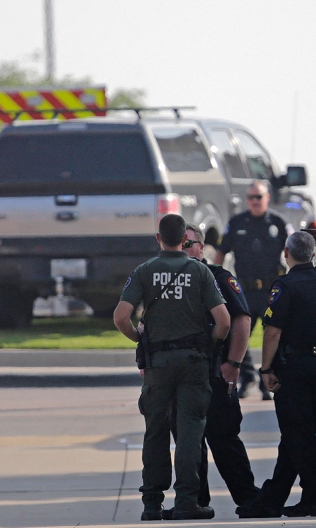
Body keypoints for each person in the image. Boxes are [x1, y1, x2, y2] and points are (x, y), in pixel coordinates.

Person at [114, 214, 230, 521]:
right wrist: (211, 345)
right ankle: (187, 501)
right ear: (186, 240)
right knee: (191, 429)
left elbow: (120, 316)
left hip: (158, 364)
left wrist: (139, 338)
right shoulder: (200, 272)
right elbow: (224, 321)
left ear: (158, 238)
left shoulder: (144, 271)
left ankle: (152, 502)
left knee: (155, 431)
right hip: (194, 361)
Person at [238, 231, 316, 519]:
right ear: (313, 254)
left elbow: (273, 333)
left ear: (286, 253)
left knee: (299, 435)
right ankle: (271, 501)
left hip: (293, 369)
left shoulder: (285, 286)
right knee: (298, 435)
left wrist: (266, 369)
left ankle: (315, 498)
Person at [164, 224, 260, 517]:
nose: (184, 249)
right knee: (188, 440)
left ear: (201, 248)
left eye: (189, 243)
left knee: (223, 436)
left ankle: (249, 499)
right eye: (179, 244)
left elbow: (242, 320)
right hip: (180, 374)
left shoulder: (219, 278)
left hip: (215, 372)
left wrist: (233, 364)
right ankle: (194, 501)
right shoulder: (168, 282)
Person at [214, 180, 291, 396]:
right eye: (251, 197)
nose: (255, 201)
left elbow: (292, 251)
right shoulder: (237, 222)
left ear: (267, 197)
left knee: (273, 334)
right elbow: (221, 252)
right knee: (238, 332)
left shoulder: (278, 222)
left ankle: (268, 381)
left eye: (259, 197)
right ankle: (247, 376)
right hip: (244, 290)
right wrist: (212, 280)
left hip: (271, 291)